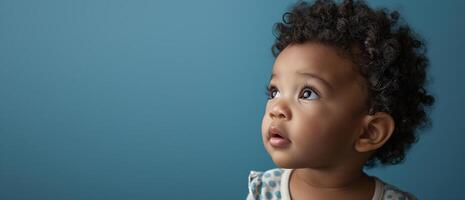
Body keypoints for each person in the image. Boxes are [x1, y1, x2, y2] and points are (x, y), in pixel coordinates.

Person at [246, 0, 435, 199]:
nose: (276, 108)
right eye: (274, 92)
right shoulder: (264, 191)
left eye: (308, 93)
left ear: (369, 132)